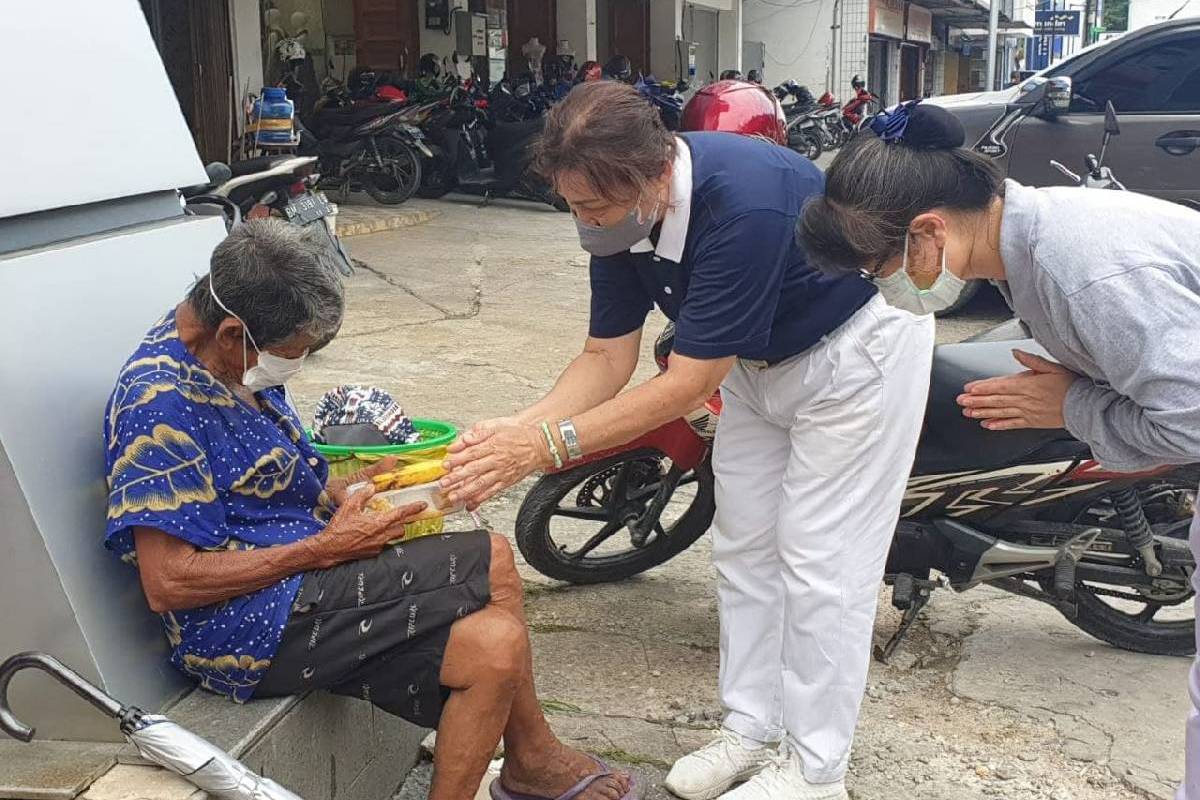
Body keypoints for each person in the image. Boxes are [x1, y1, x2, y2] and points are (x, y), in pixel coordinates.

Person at [440, 81, 935, 800]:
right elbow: (606, 357)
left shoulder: (748, 204)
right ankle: (750, 728)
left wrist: (544, 448)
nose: (585, 221)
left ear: (657, 175)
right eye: (573, 205)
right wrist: (516, 431)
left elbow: (683, 383)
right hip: (755, 364)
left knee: (821, 558)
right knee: (743, 548)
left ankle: (816, 769)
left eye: (595, 206)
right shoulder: (616, 216)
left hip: (852, 355)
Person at [103, 219, 633, 800]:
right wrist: (326, 547)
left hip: (306, 580)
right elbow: (169, 583)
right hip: (246, 626)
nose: (294, 366)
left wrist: (359, 483)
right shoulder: (160, 403)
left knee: (495, 646)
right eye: (292, 354)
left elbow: (277, 476)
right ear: (233, 334)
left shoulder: (233, 354)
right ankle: (533, 758)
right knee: (492, 555)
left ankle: (528, 763)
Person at [798, 100, 1200, 800]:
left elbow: (1191, 420)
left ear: (928, 230)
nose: (884, 289)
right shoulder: (1029, 239)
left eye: (880, 269)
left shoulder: (1085, 272)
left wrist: (1070, 405)